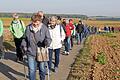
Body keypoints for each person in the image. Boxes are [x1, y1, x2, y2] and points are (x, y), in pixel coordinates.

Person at [21, 14, 51, 80]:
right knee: (31, 70)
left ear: (40, 21)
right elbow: (24, 38)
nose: (35, 25)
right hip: (31, 52)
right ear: (32, 21)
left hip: (41, 52)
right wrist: (23, 45)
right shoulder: (28, 28)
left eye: (37, 23)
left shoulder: (44, 28)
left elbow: (49, 38)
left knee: (42, 69)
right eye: (34, 23)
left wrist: (47, 42)